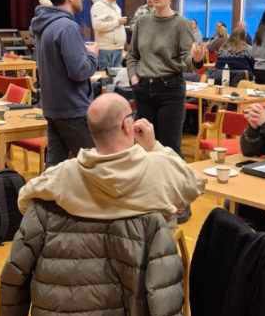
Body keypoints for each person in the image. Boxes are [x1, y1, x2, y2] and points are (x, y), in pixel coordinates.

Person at [18, 92, 204, 221]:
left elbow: (24, 200)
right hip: (145, 270)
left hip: (84, 268)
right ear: (126, 125)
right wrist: (153, 146)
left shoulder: (65, 173)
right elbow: (195, 184)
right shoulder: (160, 167)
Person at [127, 0, 204, 155]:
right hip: (144, 89)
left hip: (170, 90)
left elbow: (187, 60)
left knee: (169, 148)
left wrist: (196, 59)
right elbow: (132, 55)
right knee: (144, 147)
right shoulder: (142, 22)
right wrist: (133, 76)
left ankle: (174, 183)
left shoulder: (181, 24)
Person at [30, 0, 98, 166]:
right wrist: (92, 54)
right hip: (72, 110)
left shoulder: (43, 25)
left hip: (52, 108)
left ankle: (45, 198)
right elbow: (79, 71)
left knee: (55, 171)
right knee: (94, 167)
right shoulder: (67, 27)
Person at [90, 0, 127, 70]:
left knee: (116, 78)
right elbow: (97, 25)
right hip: (105, 50)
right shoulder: (98, 6)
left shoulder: (116, 6)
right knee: (106, 78)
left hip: (117, 48)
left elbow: (114, 26)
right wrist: (118, 22)